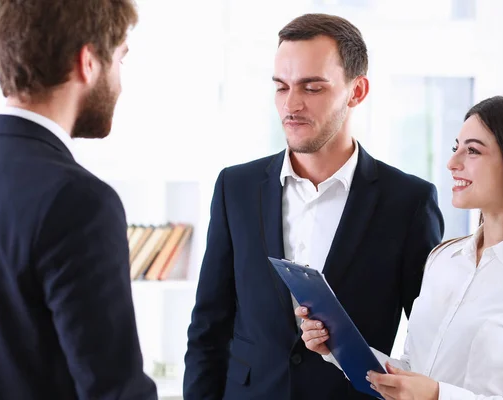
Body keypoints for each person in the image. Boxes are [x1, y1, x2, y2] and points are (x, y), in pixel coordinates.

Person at [183, 13, 444, 400]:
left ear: (357, 91)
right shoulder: (235, 188)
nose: (291, 104)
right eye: (281, 87)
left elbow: (430, 346)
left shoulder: (408, 202)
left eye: (312, 88)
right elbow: (208, 327)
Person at [300, 95, 503, 400]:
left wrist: (439, 395)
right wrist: (337, 347)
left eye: (472, 150)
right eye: (455, 148)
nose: (452, 163)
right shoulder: (443, 259)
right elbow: (411, 371)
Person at [0, 1, 157, 399]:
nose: (120, 80)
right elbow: (114, 391)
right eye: (120, 59)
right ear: (88, 62)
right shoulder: (80, 203)